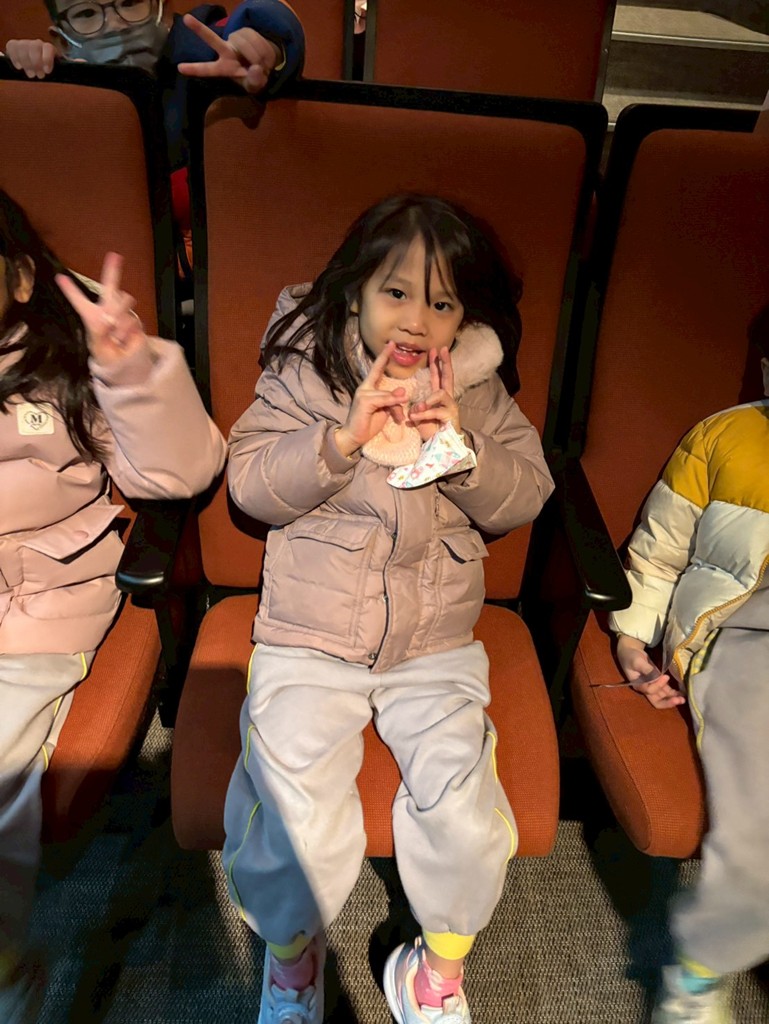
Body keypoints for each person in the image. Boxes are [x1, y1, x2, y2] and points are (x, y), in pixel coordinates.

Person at [222, 193, 555, 1024]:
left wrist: (461, 451)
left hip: (433, 642)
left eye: (441, 302)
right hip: (310, 634)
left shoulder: (475, 390)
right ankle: (291, 962)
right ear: (355, 293)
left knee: (464, 809)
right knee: (290, 807)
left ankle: (433, 971)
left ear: (464, 316)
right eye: (396, 292)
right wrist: (338, 441)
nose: (416, 319)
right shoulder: (304, 371)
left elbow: (525, 495)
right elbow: (250, 484)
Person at [0, 188, 226, 1023]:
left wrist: (129, 371)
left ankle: (7, 969)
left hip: (43, 603)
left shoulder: (62, 371)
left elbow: (179, 473)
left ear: (21, 278)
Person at [611, 304, 769, 1024]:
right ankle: (699, 978)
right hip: (737, 635)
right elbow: (658, 552)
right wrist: (630, 638)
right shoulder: (724, 436)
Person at [3, 0, 305, 278]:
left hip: (223, 276)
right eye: (86, 13)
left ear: (162, 6)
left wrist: (267, 48)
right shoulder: (69, 93)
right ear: (61, 40)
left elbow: (268, 20)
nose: (115, 24)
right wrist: (36, 79)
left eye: (130, 3)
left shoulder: (204, 52)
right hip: (112, 283)